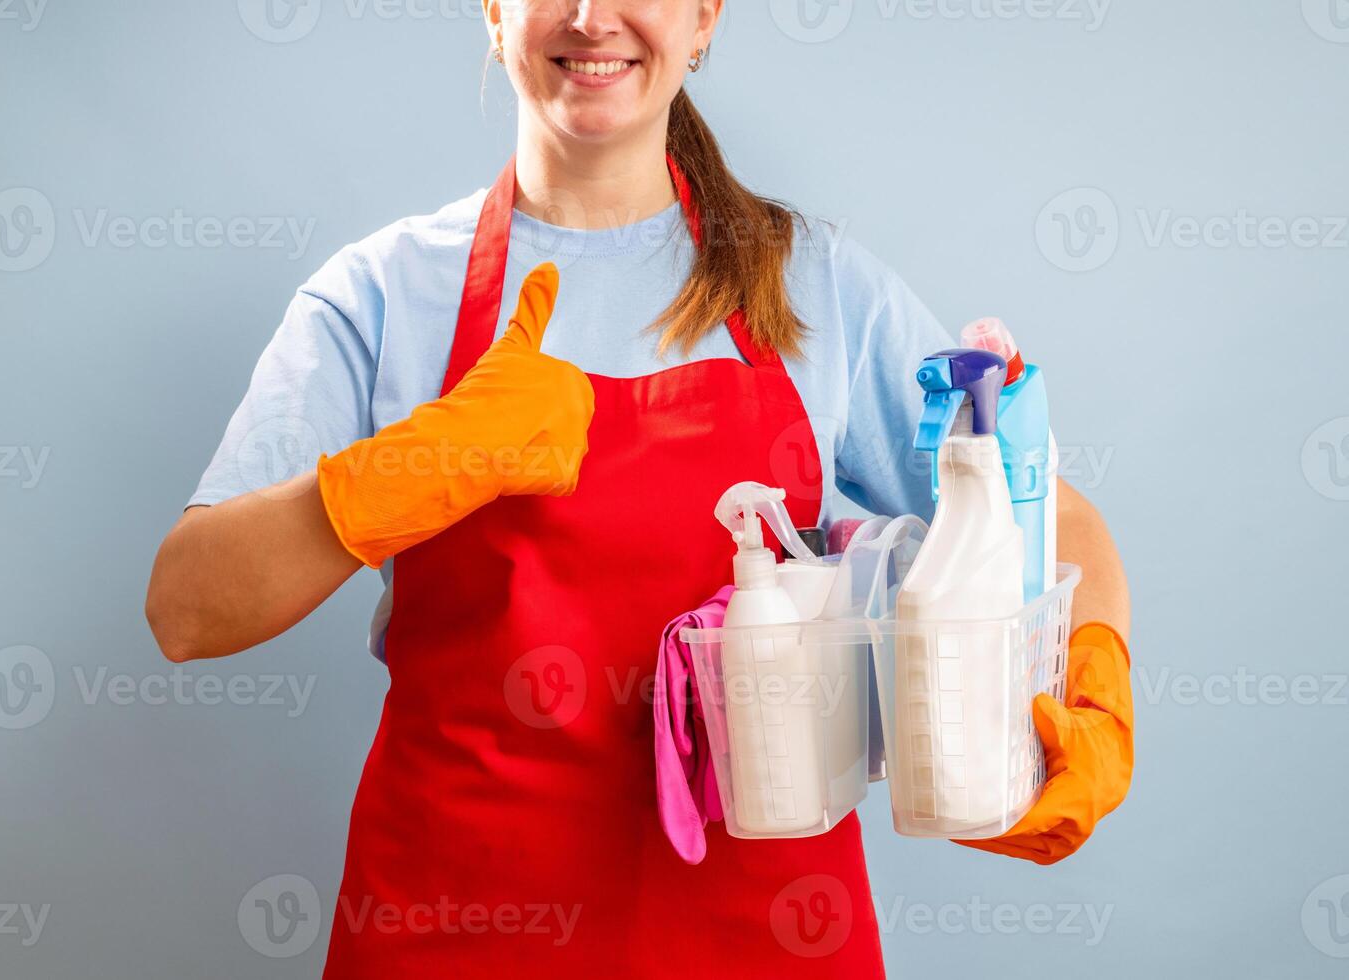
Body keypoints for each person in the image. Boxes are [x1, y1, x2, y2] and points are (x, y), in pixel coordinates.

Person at [146, 2, 1133, 975]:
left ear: (703, 19)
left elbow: (1052, 514)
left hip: (767, 935)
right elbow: (189, 606)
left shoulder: (813, 286)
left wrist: (1093, 682)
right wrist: (417, 462)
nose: (590, 16)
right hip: (451, 926)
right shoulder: (383, 294)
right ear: (495, 14)